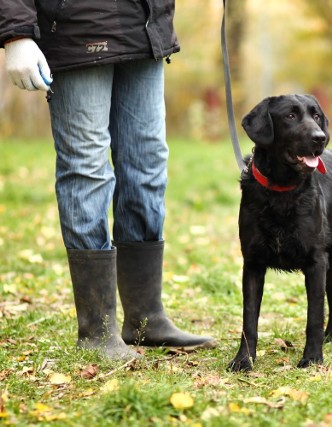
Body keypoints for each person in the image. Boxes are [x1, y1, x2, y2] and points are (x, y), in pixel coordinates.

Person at [0, 1, 216, 359]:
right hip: (75, 27)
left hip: (144, 28)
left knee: (147, 164)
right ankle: (97, 331)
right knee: (87, 168)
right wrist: (16, 32)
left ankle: (145, 319)